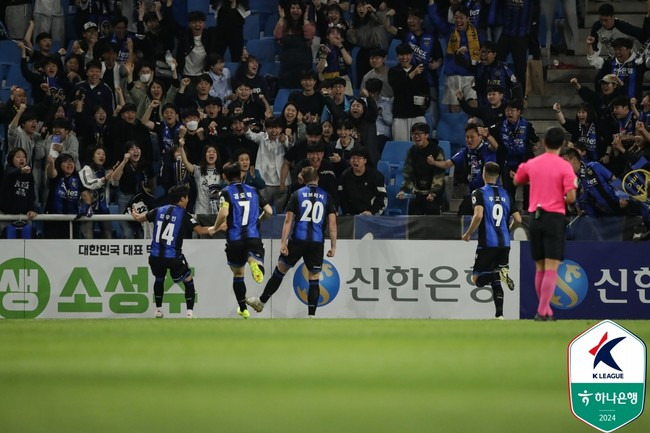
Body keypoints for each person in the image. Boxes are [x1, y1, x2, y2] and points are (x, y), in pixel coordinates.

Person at [246, 166, 337, 317]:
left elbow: (288, 220)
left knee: (280, 270)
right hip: (316, 242)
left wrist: (283, 243)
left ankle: (261, 302)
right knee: (314, 278)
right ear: (317, 178)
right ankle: (311, 316)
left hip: (298, 240)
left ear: (304, 180)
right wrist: (333, 246)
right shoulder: (327, 196)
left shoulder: (297, 194)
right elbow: (332, 224)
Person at [514, 127, 577, 321]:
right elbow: (572, 198)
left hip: (536, 217)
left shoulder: (533, 163)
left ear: (543, 142)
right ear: (563, 144)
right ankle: (542, 310)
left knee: (540, 266)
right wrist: (559, 197)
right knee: (551, 266)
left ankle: (546, 310)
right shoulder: (565, 166)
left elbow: (517, 179)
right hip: (554, 217)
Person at [131, 184, 218, 319]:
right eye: (187, 197)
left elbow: (140, 218)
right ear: (182, 199)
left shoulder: (158, 210)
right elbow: (200, 230)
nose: (188, 200)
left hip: (154, 256)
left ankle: (158, 310)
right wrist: (219, 227)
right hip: (173, 257)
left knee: (159, 279)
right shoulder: (183, 215)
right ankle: (189, 313)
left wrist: (135, 214)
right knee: (188, 280)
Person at [213, 162, 273, 319]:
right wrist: (258, 220)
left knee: (238, 274)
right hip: (253, 236)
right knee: (254, 258)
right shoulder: (253, 190)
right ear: (241, 175)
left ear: (224, 176)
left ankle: (243, 308)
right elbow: (269, 211)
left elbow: (224, 213)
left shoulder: (225, 192)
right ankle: (254, 262)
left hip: (235, 239)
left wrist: (215, 227)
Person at [462, 162, 522, 319]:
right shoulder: (506, 194)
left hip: (487, 243)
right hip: (505, 243)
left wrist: (468, 233)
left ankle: (498, 276)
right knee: (497, 279)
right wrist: (506, 230)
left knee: (477, 279)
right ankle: (499, 315)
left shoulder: (479, 192)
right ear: (498, 176)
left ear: (483, 173)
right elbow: (518, 219)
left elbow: (479, 215)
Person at [338, 146, 387, 216]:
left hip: (371, 216)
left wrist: (371, 212)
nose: (355, 160)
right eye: (353, 158)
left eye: (358, 158)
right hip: (351, 217)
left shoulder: (376, 176)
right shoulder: (344, 176)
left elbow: (382, 198)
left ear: (365, 160)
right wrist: (347, 212)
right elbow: (342, 198)